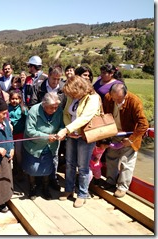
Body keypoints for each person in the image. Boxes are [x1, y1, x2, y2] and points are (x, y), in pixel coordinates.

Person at [57, 75, 100, 208]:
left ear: (79, 88)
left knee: (83, 166)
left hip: (85, 136)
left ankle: (82, 193)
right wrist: (70, 130)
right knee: (70, 163)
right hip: (72, 135)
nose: (71, 95)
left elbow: (85, 117)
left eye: (73, 93)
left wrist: (68, 130)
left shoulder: (93, 98)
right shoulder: (72, 97)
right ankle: (69, 189)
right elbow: (66, 113)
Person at [101, 83, 149, 198]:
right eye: (114, 98)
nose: (116, 101)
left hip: (129, 135)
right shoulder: (108, 98)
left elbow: (144, 124)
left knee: (126, 162)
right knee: (111, 157)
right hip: (114, 133)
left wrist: (131, 140)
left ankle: (122, 187)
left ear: (125, 95)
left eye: (119, 99)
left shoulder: (134, 101)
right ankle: (110, 181)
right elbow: (104, 116)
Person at [22, 92, 64, 200]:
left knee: (47, 168)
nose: (54, 110)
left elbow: (62, 125)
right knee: (33, 168)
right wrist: (46, 136)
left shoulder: (58, 110)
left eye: (55, 107)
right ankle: (33, 188)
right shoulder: (34, 111)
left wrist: (61, 133)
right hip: (35, 145)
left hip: (51, 145)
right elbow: (29, 130)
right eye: (51, 108)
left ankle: (46, 188)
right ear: (44, 105)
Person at [8, 90, 28, 181]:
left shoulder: (23, 109)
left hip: (20, 134)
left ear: (20, 99)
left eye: (16, 99)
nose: (14, 101)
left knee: (19, 153)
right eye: (12, 99)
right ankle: (14, 169)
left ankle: (20, 170)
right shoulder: (7, 108)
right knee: (12, 153)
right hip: (10, 135)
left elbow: (27, 120)